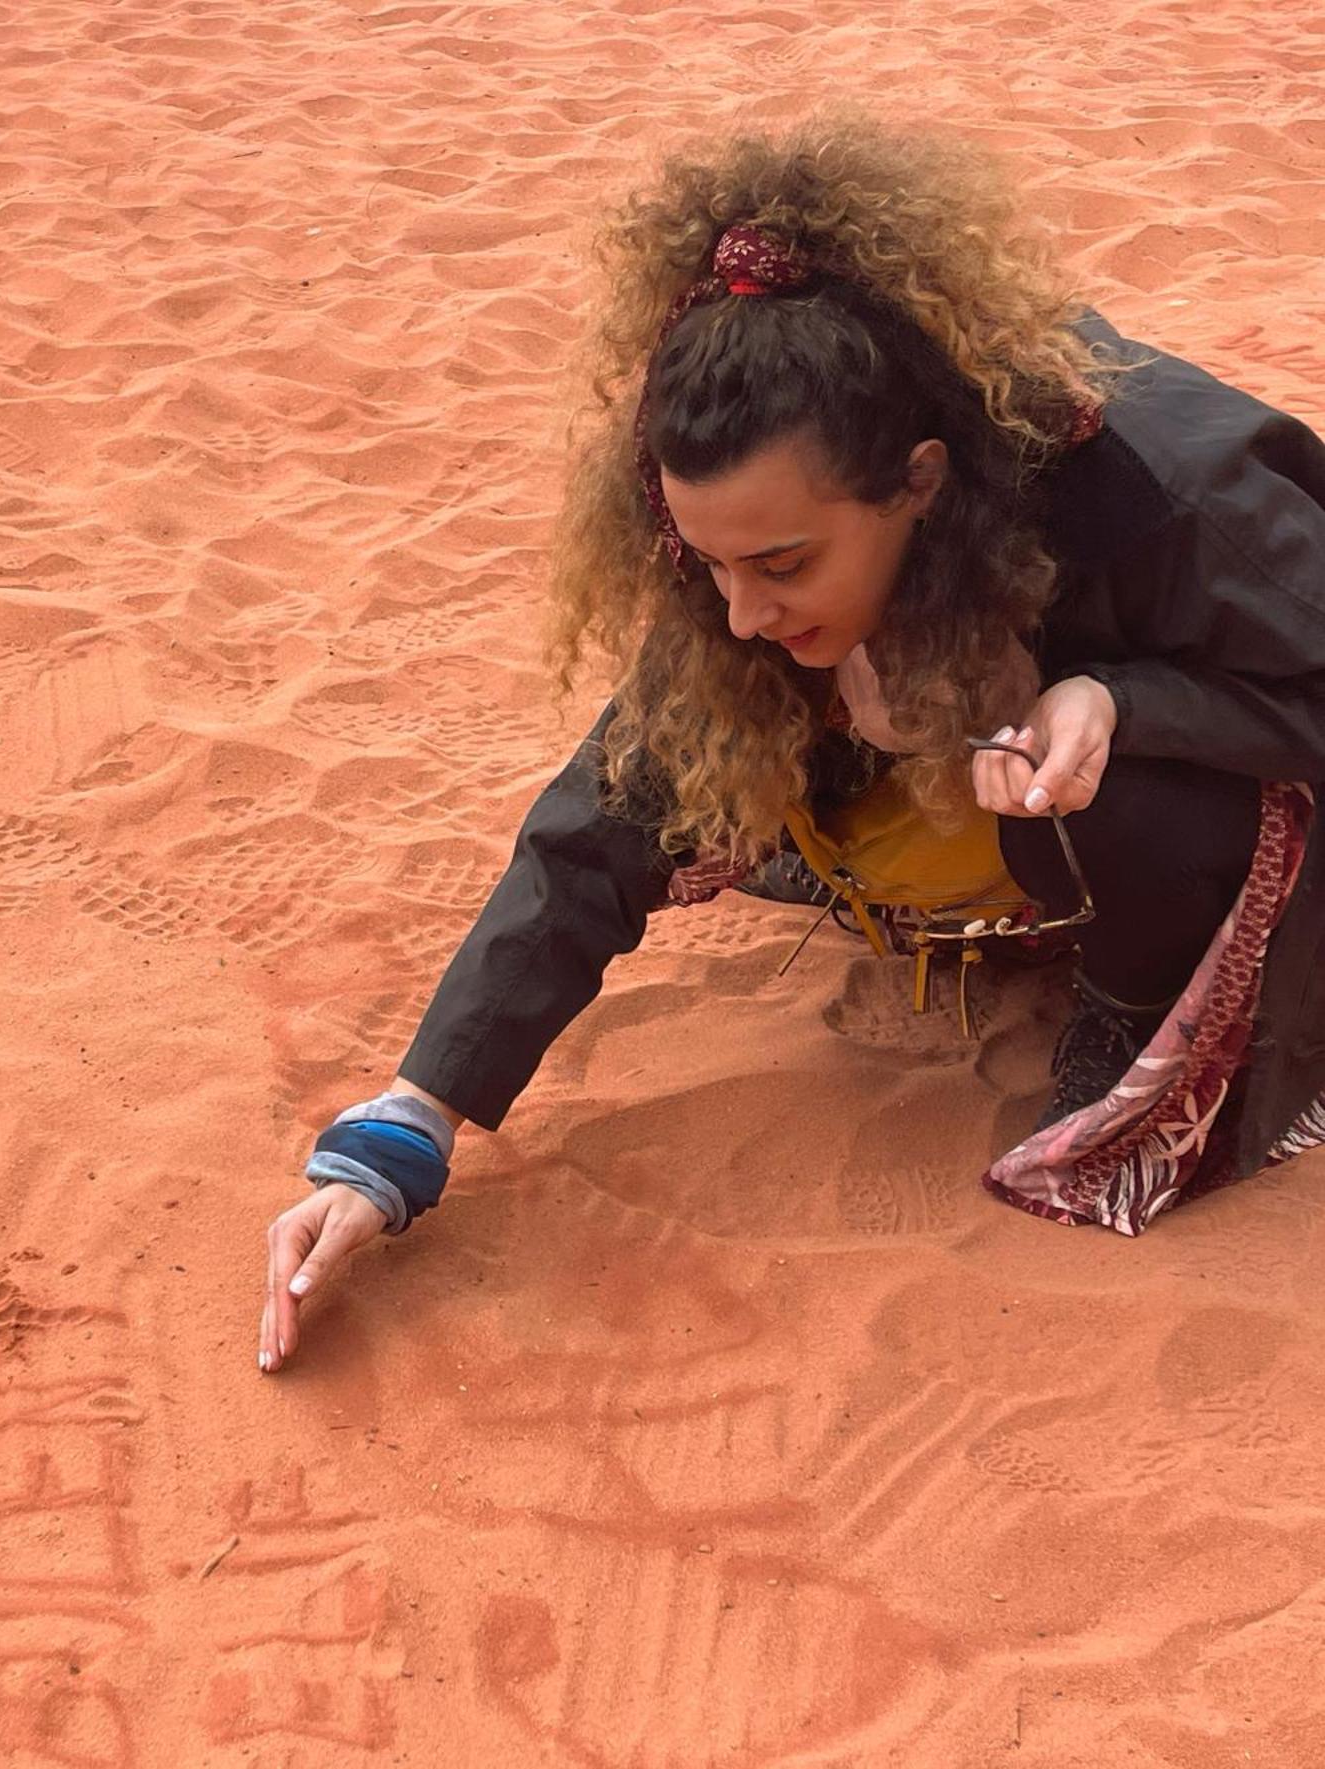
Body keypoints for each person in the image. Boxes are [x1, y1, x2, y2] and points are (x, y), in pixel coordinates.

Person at [257, 107, 1325, 1375]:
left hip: (1215, 767)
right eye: (705, 562)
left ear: (921, 482)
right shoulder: (744, 570)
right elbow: (594, 832)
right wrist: (405, 1126)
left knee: (1099, 799)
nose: (739, 609)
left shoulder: (1165, 500)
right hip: (982, 740)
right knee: (737, 734)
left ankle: (1130, 985)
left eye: (778, 562)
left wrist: (1124, 702)